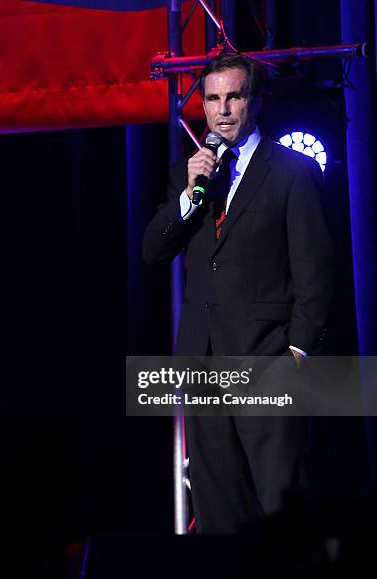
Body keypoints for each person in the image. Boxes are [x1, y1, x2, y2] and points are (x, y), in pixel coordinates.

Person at [143, 54, 334, 533]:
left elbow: (316, 271)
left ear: (256, 101)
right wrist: (190, 194)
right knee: (219, 510)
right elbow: (152, 250)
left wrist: (296, 351)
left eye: (234, 96)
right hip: (204, 364)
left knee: (279, 506)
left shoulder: (291, 172)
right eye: (212, 99)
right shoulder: (192, 176)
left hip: (266, 360)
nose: (223, 109)